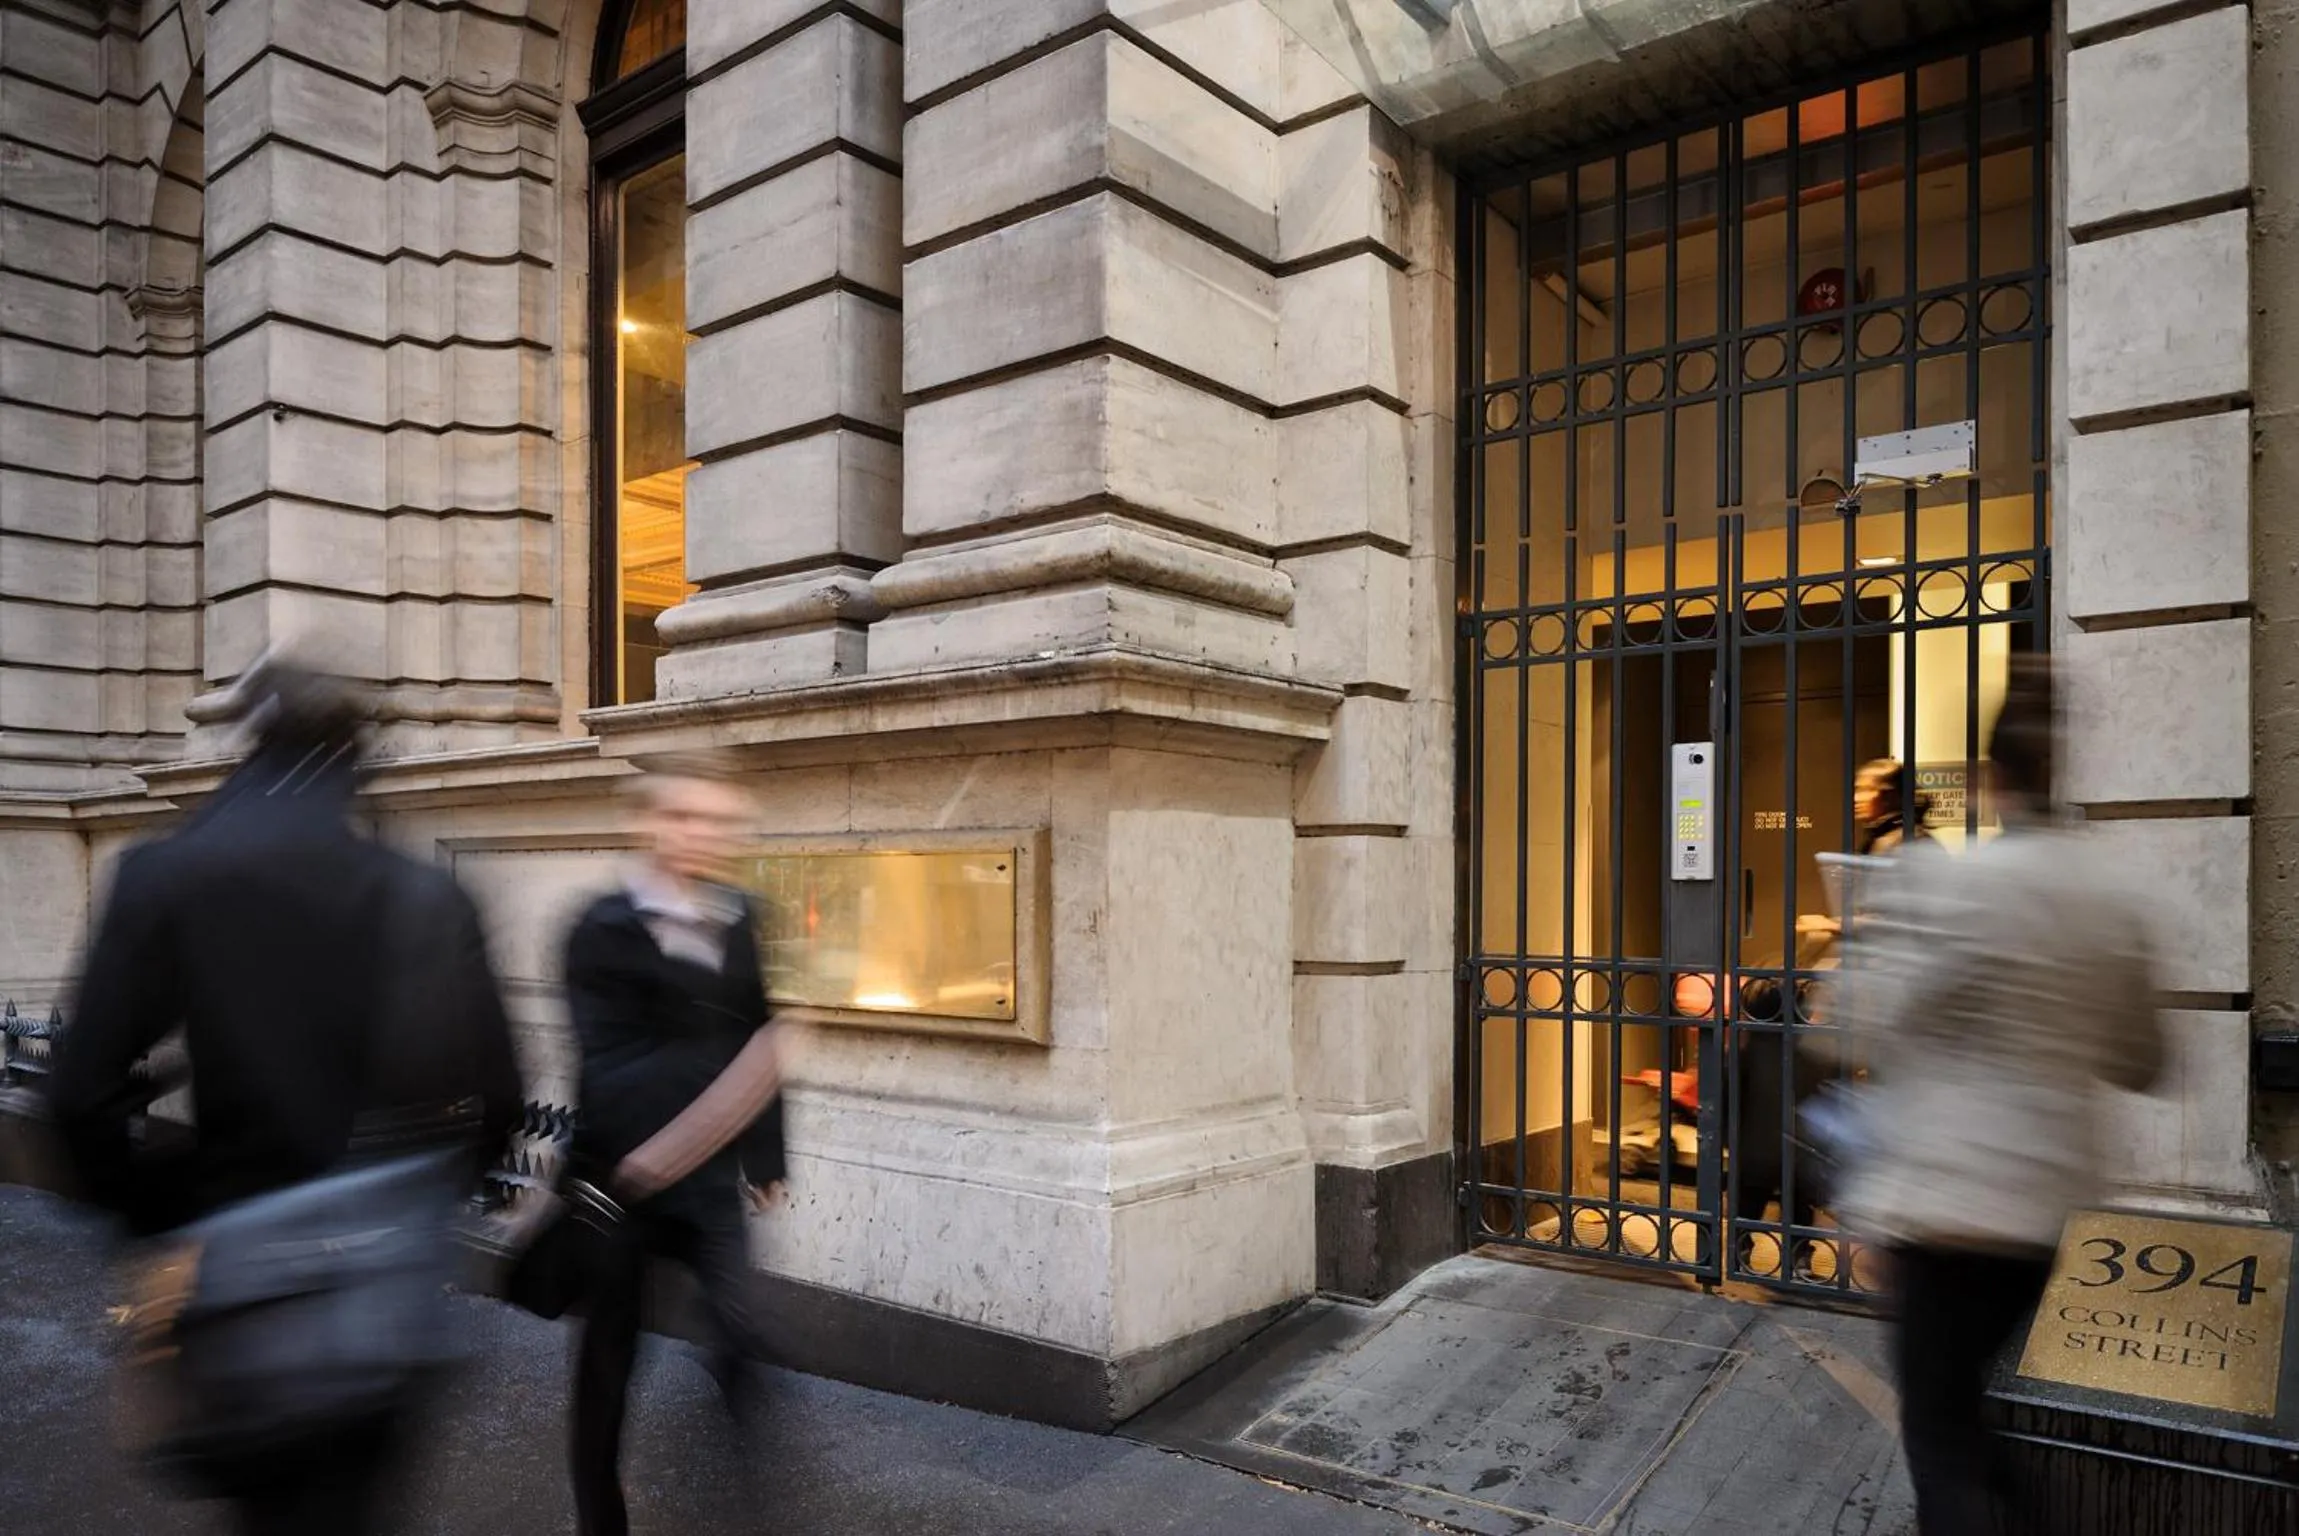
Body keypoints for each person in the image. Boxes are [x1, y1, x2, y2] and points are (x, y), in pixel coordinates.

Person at [49, 656, 523, 1536]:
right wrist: (400, 1202)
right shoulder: (421, 895)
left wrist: (175, 1216)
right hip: (384, 1310)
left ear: (251, 741)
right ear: (354, 759)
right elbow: (498, 1104)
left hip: (237, 1297)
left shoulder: (167, 876)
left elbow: (79, 1104)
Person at [1826, 658, 2164, 1535]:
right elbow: (2142, 1061)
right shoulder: (2111, 898)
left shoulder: (1953, 884)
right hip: (2048, 1209)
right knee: (1968, 1421)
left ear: (1990, 779)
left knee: (1939, 1433)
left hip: (1947, 1206)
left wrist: (1854, 950)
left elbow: (1856, 1027)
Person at [561, 752, 788, 1536]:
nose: (702, 835)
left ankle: (744, 1498)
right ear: (648, 822)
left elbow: (759, 1027)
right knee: (608, 1362)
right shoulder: (600, 928)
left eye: (719, 821)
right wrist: (734, 1074)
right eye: (684, 816)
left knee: (744, 1329)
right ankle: (601, 1517)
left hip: (709, 1175)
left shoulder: (743, 917)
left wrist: (765, 1155)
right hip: (622, 1179)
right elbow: (610, 1065)